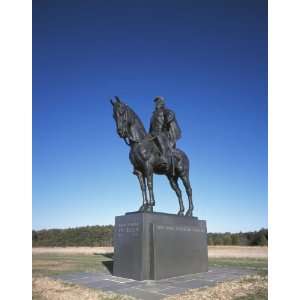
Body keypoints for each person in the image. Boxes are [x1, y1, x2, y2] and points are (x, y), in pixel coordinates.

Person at [149, 96, 181, 168]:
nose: (156, 103)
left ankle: (164, 159)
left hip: (163, 133)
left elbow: (171, 115)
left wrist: (166, 122)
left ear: (162, 102)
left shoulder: (165, 111)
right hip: (153, 134)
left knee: (158, 137)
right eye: (155, 102)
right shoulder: (153, 115)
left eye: (158, 101)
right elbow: (151, 127)